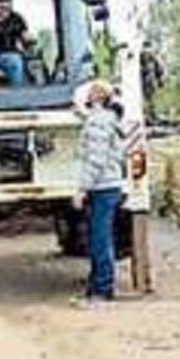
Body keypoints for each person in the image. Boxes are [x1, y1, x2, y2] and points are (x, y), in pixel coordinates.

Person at [72, 80, 125, 306]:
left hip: (102, 187)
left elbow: (96, 159)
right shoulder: (105, 120)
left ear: (92, 98)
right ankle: (96, 289)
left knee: (100, 240)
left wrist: (82, 189)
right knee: (98, 238)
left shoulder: (97, 122)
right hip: (108, 186)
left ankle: (102, 291)